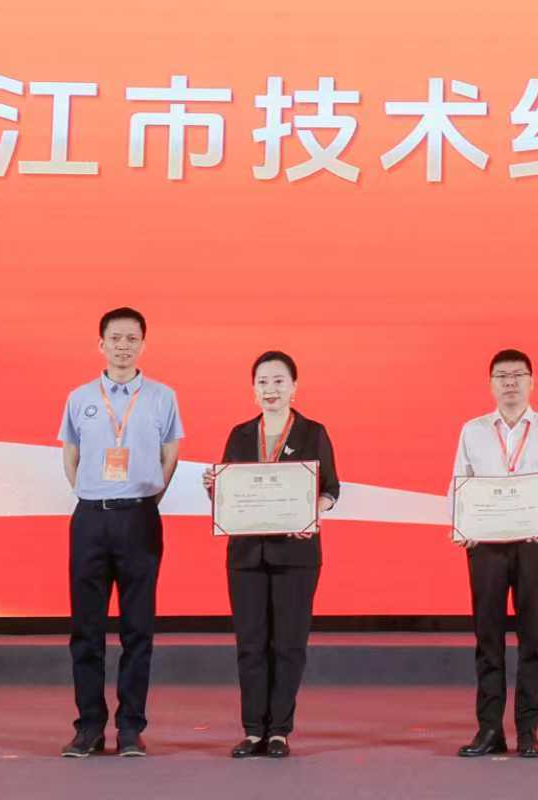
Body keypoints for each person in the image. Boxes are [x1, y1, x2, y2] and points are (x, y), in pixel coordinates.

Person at [57, 306, 183, 758]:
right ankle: (89, 726)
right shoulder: (80, 397)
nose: (123, 345)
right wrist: (92, 493)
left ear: (143, 344)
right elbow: (70, 455)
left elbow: (170, 456)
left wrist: (144, 500)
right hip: (91, 519)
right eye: (115, 338)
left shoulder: (162, 397)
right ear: (101, 344)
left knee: (138, 628)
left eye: (132, 338)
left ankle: (131, 727)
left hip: (139, 519)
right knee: (85, 628)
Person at [204, 351, 339, 759]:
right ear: (253, 389)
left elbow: (330, 489)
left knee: (289, 643)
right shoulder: (240, 434)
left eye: (279, 381)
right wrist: (215, 487)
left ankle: (279, 731)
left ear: (294, 387)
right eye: (263, 382)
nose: (271, 389)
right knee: (250, 643)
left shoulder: (313, 432)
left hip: (296, 554)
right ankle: (252, 731)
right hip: (246, 555)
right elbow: (231, 496)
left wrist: (313, 512)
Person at [449, 348, 538, 759]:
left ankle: (527, 730)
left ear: (531, 382)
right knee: (487, 637)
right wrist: (462, 526)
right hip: (485, 546)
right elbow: (459, 483)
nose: (510, 382)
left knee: (532, 638)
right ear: (490, 384)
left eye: (518, 375)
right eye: (501, 376)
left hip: (532, 544)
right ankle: (489, 729)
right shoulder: (472, 430)